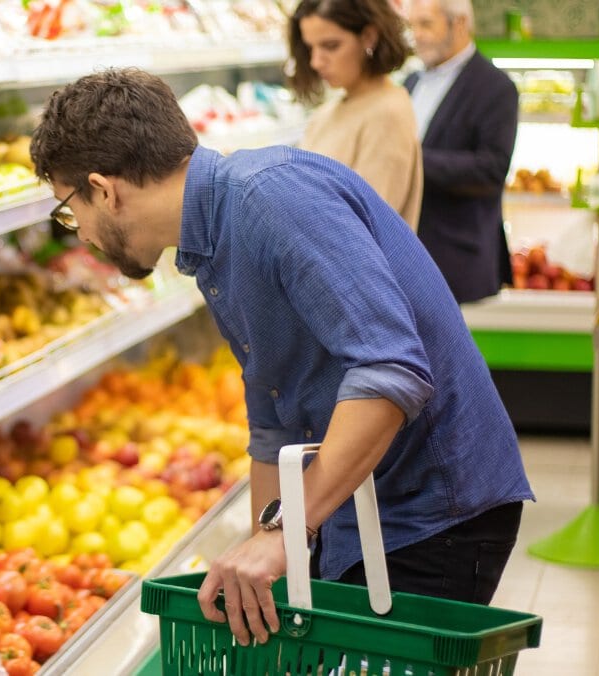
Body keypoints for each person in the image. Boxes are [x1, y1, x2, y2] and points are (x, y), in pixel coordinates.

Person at [30, 68, 532, 647]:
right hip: (360, 503)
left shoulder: (270, 198)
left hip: (432, 508)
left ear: (105, 189)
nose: (81, 234)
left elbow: (391, 371)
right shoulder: (210, 244)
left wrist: (286, 534)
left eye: (70, 211)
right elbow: (275, 424)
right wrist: (260, 555)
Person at [406, 0, 519, 303]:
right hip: (409, 257)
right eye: (412, 25)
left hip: (458, 263)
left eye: (426, 24)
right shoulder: (411, 81)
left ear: (459, 24)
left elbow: (491, 170)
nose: (416, 34)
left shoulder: (496, 87)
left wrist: (410, 161)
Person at [291, 0, 423, 229]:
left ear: (369, 37)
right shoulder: (329, 111)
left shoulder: (387, 113)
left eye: (330, 46)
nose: (315, 61)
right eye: (310, 48)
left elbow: (365, 225)